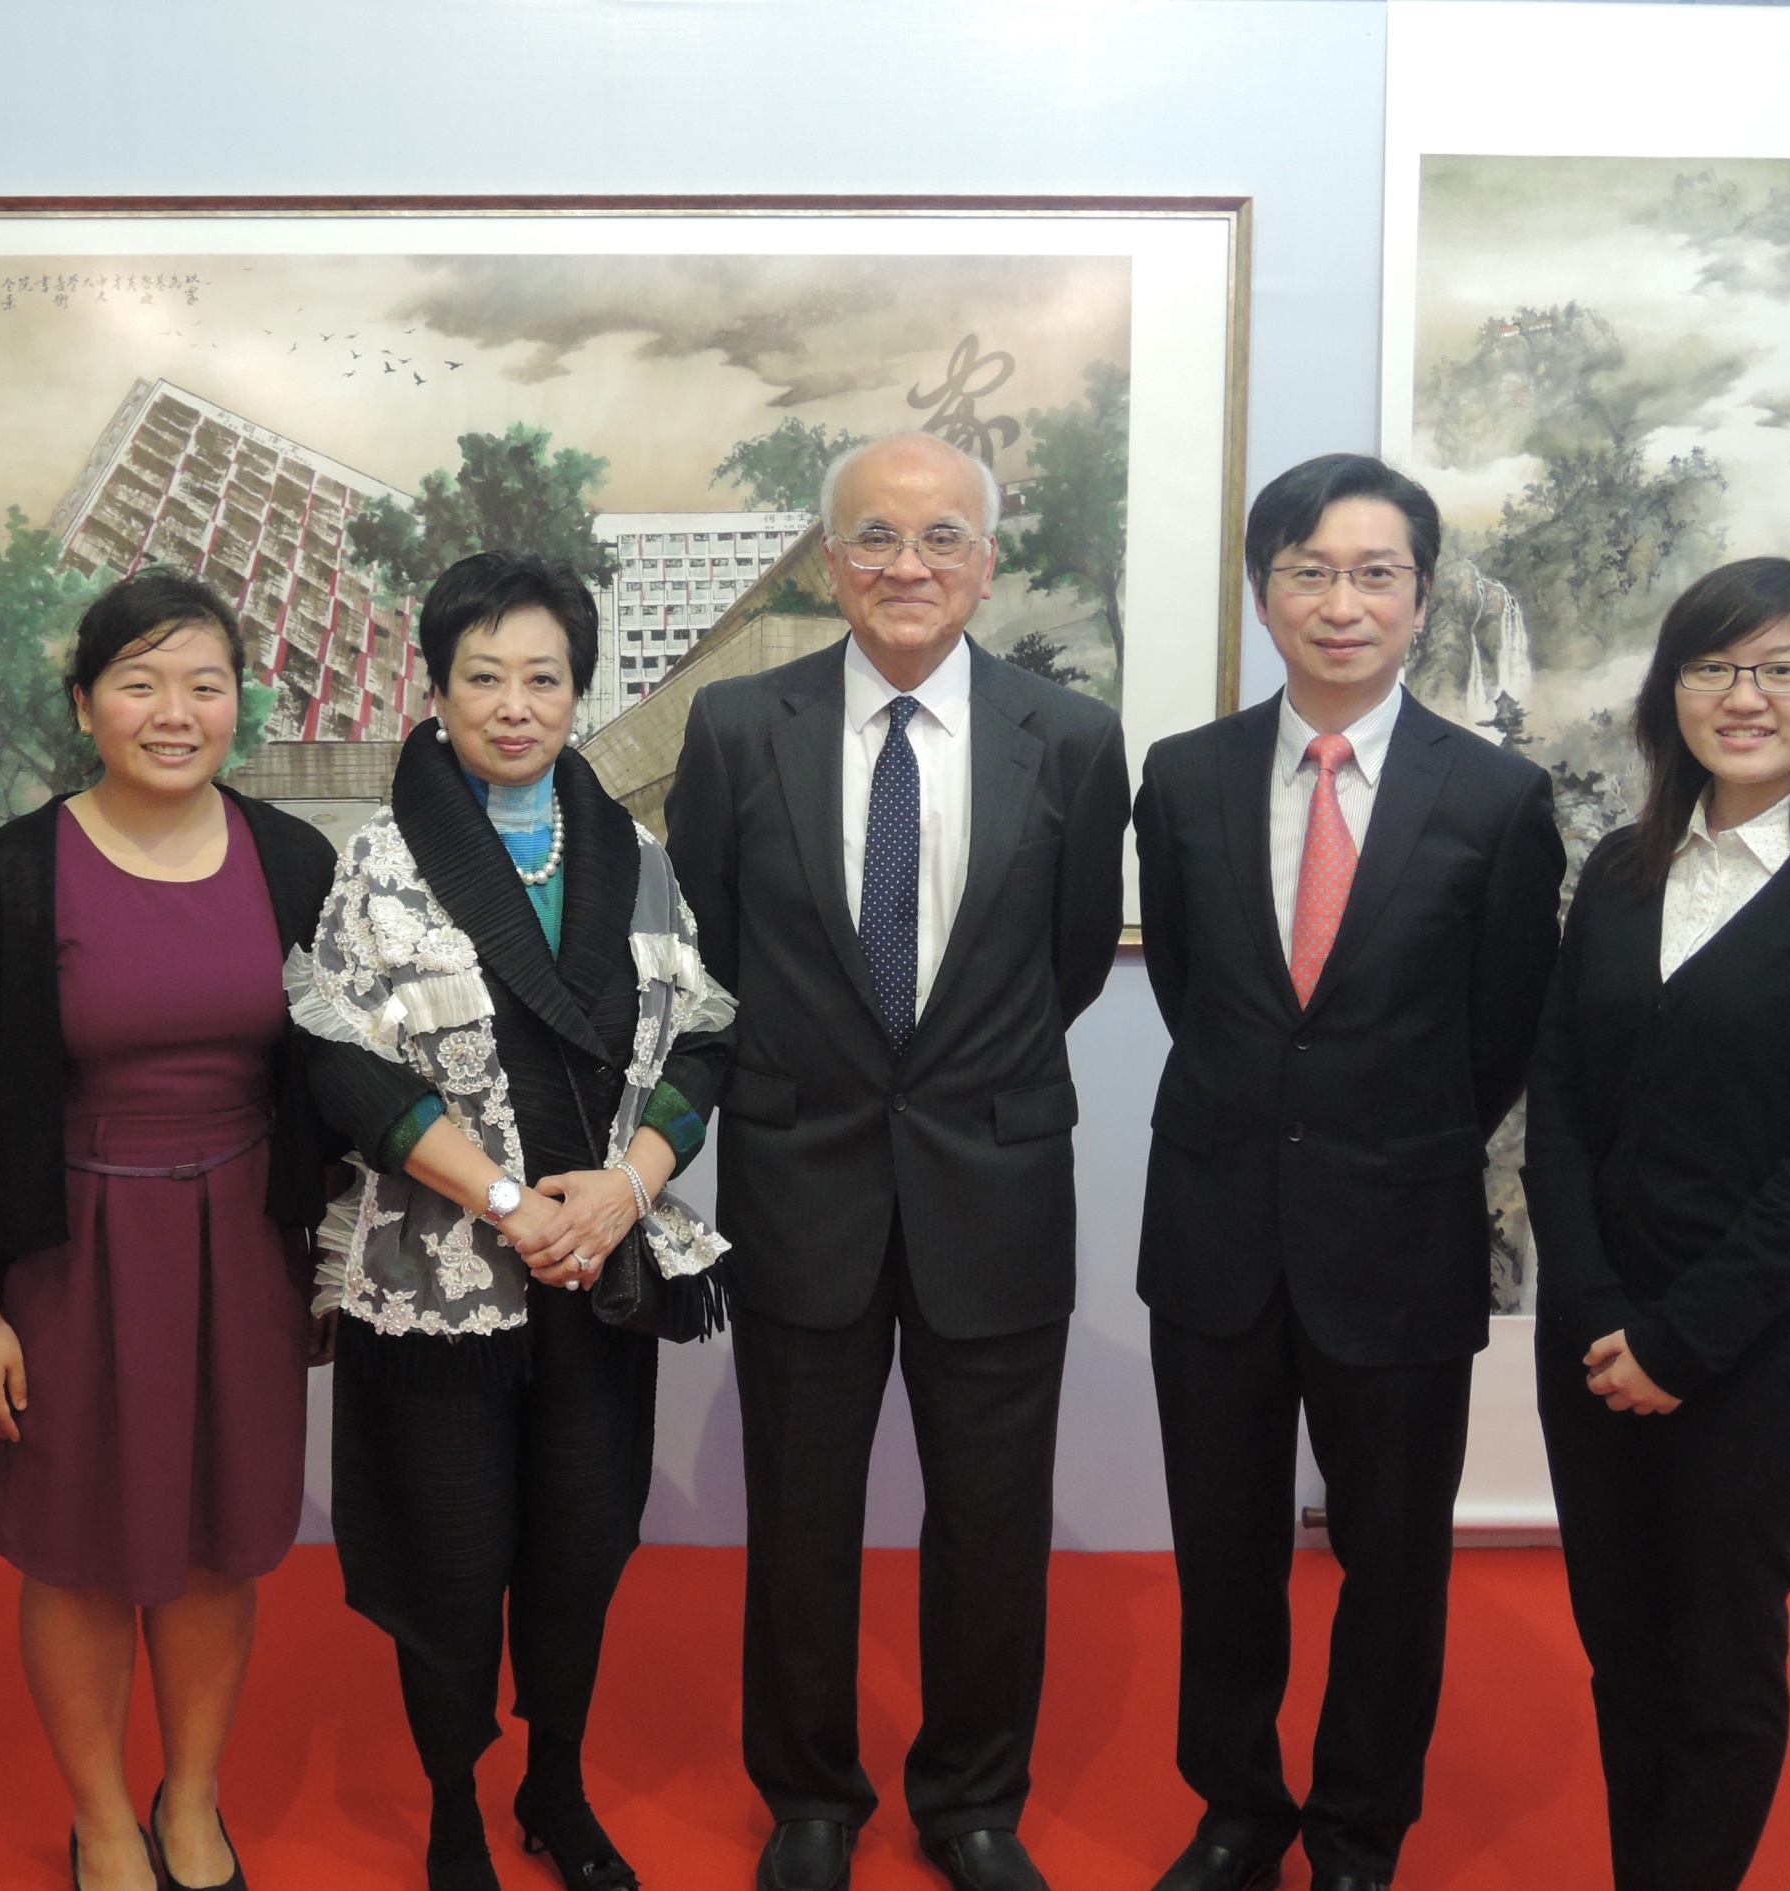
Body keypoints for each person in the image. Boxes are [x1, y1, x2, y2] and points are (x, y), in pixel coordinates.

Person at [666, 432, 1131, 1891]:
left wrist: (950, 1083)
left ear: (988, 564)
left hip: (991, 1181)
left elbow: (1061, 967)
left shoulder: (1066, 736)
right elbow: (712, 957)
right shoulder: (740, 727)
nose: (906, 566)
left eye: (941, 539)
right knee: (798, 1517)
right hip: (801, 1177)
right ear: (826, 560)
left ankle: (972, 1802)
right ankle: (809, 1798)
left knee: (990, 1521)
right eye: (873, 537)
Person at [1132, 453, 1565, 1891]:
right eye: (1308, 570)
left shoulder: (1496, 799)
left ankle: (1361, 1831)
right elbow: (1199, 993)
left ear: (1421, 599)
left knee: (1393, 1565)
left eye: (1374, 573)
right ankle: (1235, 1812)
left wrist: (1373, 1139)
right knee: (1224, 1551)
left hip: (1398, 1240)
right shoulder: (1183, 779)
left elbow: (1498, 1031)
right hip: (1215, 1238)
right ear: (1262, 594)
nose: (1340, 601)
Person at [289, 550, 733, 1891]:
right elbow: (338, 1061)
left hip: (599, 1266)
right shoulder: (376, 861)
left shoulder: (638, 857)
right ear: (436, 691)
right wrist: (498, 1200)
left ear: (578, 694)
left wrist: (628, 1186)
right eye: (482, 676)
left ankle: (555, 1788)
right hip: (444, 1283)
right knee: (447, 1552)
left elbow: (704, 1038)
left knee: (576, 1544)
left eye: (544, 676)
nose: (514, 702)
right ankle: (449, 1810)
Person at [0, 569, 342, 1891]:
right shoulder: (6, 881)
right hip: (71, 1253)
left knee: (220, 1543)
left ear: (237, 705)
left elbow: (339, 1078)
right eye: (141, 683)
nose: (176, 712)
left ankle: (193, 1798)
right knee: (80, 1551)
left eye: (204, 683)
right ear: (83, 704)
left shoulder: (293, 861)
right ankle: (101, 1814)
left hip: (246, 1246)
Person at [1523, 558, 1790, 1891]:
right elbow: (1562, 1109)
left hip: (1756, 1360)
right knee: (1623, 1659)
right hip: (1592, 1347)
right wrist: (1594, 1318)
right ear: (1669, 692)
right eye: (1711, 666)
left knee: (1715, 1669)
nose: (1743, 696)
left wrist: (1678, 1347)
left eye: (1781, 669)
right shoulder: (1620, 868)